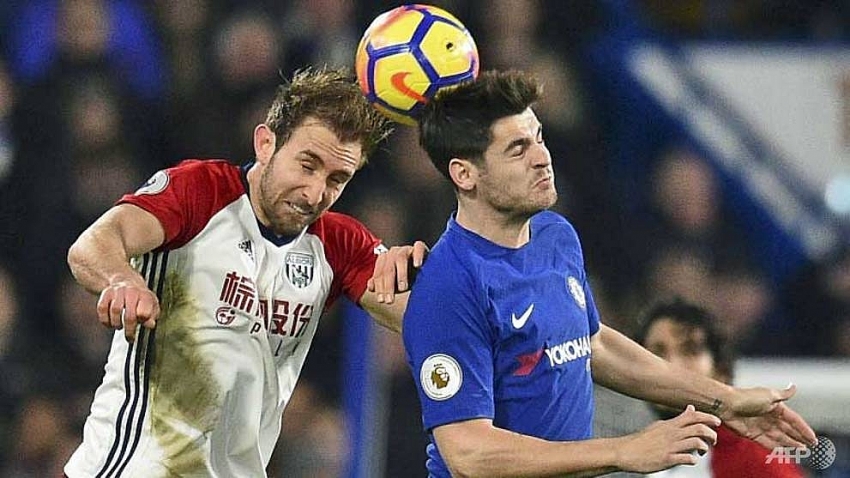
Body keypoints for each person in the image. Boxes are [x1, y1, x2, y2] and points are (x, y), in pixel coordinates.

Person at [398, 70, 817, 477]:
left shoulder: (554, 235)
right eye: (517, 149)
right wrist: (623, 450)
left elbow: (593, 344)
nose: (542, 158)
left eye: (539, 138)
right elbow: (469, 453)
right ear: (465, 174)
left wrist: (724, 401)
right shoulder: (450, 286)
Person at [63, 67, 420, 477]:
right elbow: (94, 244)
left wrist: (434, 272)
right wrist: (122, 280)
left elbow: (425, 321)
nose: (315, 193)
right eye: (307, 165)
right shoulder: (201, 191)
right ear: (266, 143)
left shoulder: (339, 244)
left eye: (336, 180)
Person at [636, 298, 805, 477]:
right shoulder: (633, 447)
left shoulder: (751, 459)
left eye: (689, 351)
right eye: (657, 352)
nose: (671, 365)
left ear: (721, 370)